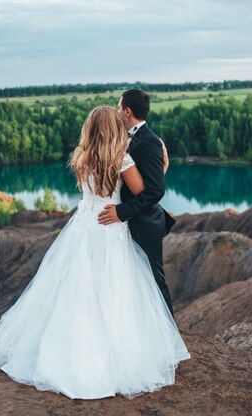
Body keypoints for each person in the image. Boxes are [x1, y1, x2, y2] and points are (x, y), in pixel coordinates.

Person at [0, 105, 190, 400]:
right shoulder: (122, 159)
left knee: (76, 289)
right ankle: (114, 356)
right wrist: (163, 168)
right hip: (109, 228)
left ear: (89, 130)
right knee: (113, 289)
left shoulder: (81, 157)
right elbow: (145, 191)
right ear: (114, 130)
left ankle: (67, 354)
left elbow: (89, 193)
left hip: (83, 225)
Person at [98, 89, 177, 317]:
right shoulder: (122, 138)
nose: (116, 110)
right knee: (133, 282)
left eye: (118, 106)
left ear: (127, 111)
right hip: (127, 225)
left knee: (153, 281)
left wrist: (121, 212)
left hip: (145, 224)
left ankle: (169, 335)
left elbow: (155, 191)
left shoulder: (150, 142)